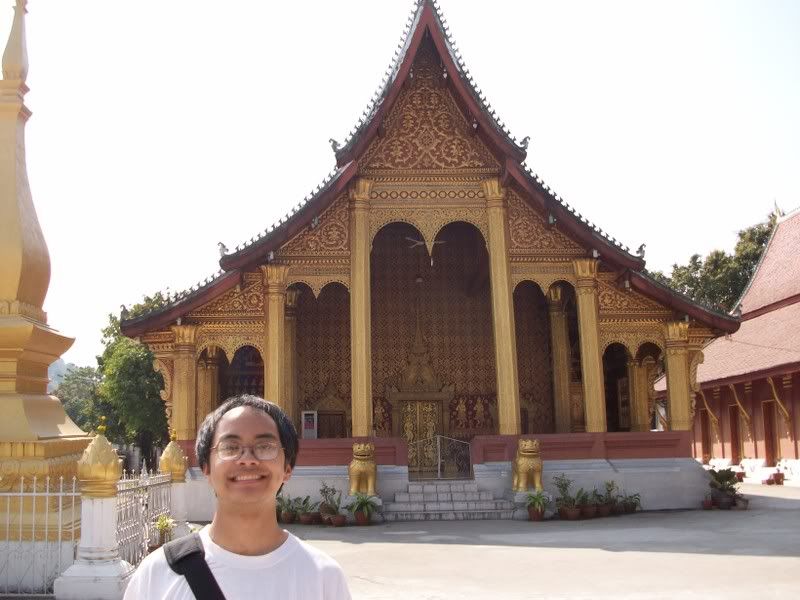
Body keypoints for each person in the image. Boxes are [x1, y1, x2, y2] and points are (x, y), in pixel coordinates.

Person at [124, 395, 351, 599]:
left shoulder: (323, 577)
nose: (248, 459)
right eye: (230, 447)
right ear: (206, 468)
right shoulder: (159, 574)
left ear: (287, 468)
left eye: (265, 446)